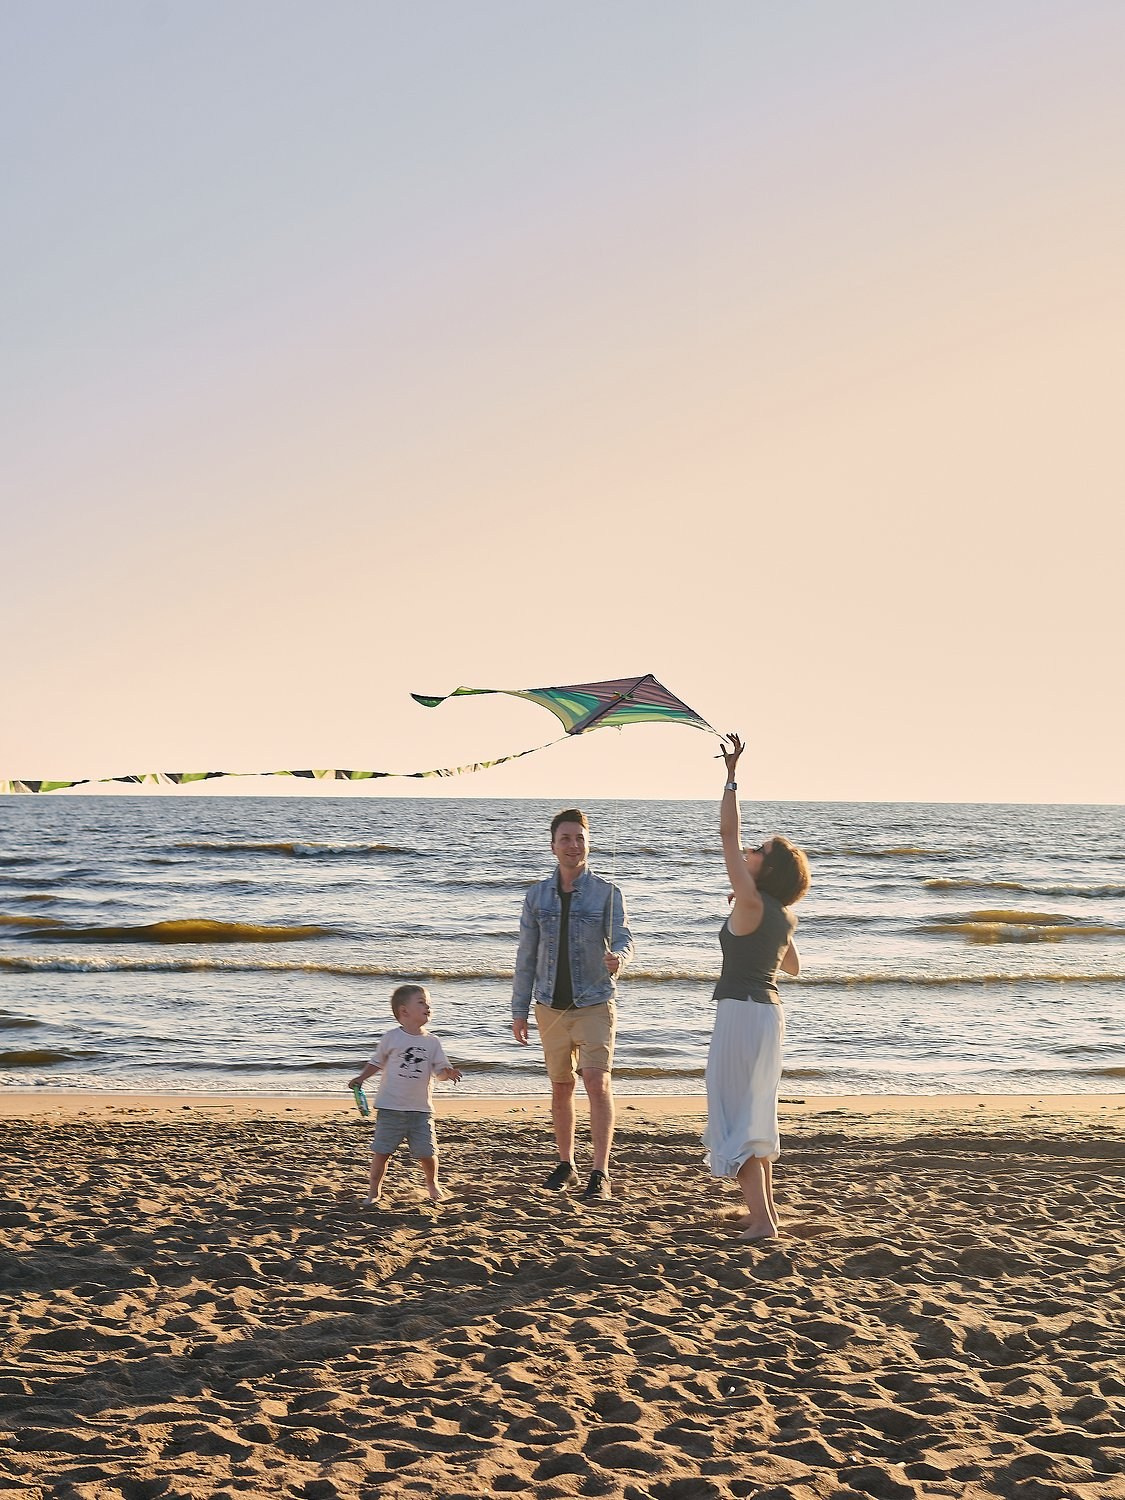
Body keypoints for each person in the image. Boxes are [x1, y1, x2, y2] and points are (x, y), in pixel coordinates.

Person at [704, 734, 810, 1241]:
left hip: (742, 1015)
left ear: (768, 869)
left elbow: (726, 835)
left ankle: (764, 1221)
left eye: (760, 850)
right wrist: (749, 903)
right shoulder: (782, 915)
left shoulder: (753, 904)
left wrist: (730, 776)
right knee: (754, 1114)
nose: (748, 849)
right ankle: (762, 1213)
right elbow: (791, 966)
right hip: (768, 1014)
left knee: (734, 1116)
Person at [512, 808, 634, 1202]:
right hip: (548, 1005)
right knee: (561, 1086)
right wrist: (518, 1010)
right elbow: (526, 957)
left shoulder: (607, 892)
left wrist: (620, 958)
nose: (573, 845)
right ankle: (565, 1164)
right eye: (565, 838)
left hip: (595, 1002)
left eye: (579, 838)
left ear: (588, 843)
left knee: (597, 1083)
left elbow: (624, 938)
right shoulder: (536, 895)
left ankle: (600, 1171)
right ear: (553, 846)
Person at [348, 983, 462, 1204]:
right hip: (390, 1108)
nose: (427, 1006)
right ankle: (374, 1192)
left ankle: (432, 1184)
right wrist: (361, 1078)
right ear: (404, 1011)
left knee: (427, 1153)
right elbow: (376, 1062)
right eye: (421, 1002)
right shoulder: (391, 1038)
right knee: (381, 1152)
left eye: (428, 1003)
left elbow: (439, 1072)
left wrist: (448, 1072)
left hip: (420, 1111)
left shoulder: (432, 1042)